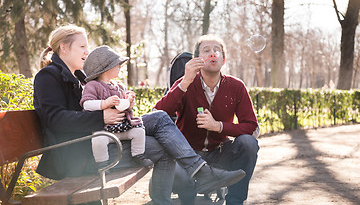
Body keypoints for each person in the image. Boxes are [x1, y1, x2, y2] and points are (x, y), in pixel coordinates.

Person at [33, 24, 247, 205]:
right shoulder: (49, 76)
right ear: (63, 47)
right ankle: (202, 175)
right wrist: (102, 117)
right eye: (82, 46)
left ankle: (198, 177)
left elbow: (94, 108)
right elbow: (55, 119)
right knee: (164, 143)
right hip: (81, 156)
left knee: (161, 117)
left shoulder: (80, 77)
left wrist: (120, 108)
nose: (87, 52)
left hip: (102, 140)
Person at [154, 34, 260, 205]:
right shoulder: (185, 83)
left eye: (217, 50)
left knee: (249, 143)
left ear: (223, 60)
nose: (213, 54)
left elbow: (251, 126)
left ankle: (235, 201)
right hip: (187, 155)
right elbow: (157, 114)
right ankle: (188, 198)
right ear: (197, 60)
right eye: (207, 50)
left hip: (220, 153)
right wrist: (185, 82)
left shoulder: (236, 86)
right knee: (177, 177)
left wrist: (218, 126)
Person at [80, 45, 153, 169]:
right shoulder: (93, 85)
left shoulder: (119, 85)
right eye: (117, 64)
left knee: (139, 131)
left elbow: (124, 104)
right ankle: (102, 164)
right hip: (105, 129)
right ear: (105, 69)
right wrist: (104, 103)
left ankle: (138, 155)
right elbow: (86, 104)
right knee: (98, 140)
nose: (120, 67)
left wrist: (129, 100)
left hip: (123, 127)